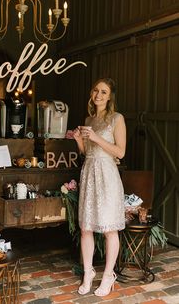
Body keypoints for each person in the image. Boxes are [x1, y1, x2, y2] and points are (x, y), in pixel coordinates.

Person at [73, 78, 126, 297]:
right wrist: (79, 140)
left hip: (107, 176)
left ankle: (108, 275)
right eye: (96, 90)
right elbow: (88, 152)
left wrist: (95, 136)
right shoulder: (89, 119)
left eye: (104, 92)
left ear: (110, 96)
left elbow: (120, 152)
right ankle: (88, 273)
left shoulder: (117, 119)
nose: (99, 95)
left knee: (108, 229)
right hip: (89, 173)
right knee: (86, 227)